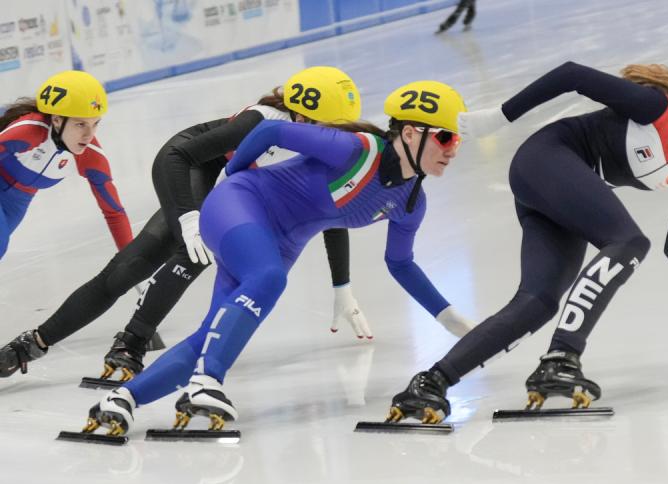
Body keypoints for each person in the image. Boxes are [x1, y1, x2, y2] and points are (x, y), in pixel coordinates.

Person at [387, 49, 668, 424]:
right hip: (547, 157)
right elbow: (572, 74)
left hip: (560, 190)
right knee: (629, 241)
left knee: (538, 302)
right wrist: (498, 117)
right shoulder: (658, 109)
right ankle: (561, 358)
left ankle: (430, 383)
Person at [80, 79, 475, 437]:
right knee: (268, 279)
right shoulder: (355, 149)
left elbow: (400, 263)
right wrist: (235, 175)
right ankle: (207, 382)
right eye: (445, 138)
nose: (452, 149)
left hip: (282, 243)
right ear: (410, 133)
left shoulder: (410, 202)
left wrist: (448, 317)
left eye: (456, 141)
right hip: (242, 204)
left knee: (212, 335)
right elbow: (269, 131)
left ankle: (122, 399)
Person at [0, 66, 371, 380]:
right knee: (137, 266)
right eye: (330, 127)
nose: (335, 137)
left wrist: (342, 285)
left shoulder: (325, 146)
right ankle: (37, 345)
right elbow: (177, 154)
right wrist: (188, 215)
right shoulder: (262, 122)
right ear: (302, 117)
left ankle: (129, 342)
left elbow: (327, 210)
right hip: (193, 168)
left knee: (181, 255)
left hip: (233, 190)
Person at [0, 70, 134, 373]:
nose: (89, 134)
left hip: (16, 203)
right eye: (80, 124)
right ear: (57, 120)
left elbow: (114, 211)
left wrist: (133, 261)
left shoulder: (90, 154)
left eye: (95, 124)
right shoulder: (29, 130)